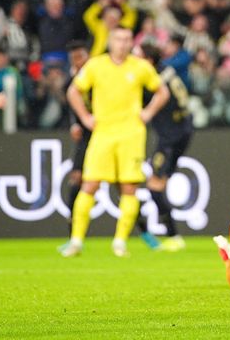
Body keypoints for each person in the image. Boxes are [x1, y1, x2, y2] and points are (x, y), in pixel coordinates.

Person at [59, 26, 169, 258]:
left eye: (127, 39)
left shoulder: (141, 67)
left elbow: (162, 92)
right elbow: (73, 91)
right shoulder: (96, 65)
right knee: (90, 185)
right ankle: (76, 241)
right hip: (103, 133)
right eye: (119, 39)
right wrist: (85, 117)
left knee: (129, 188)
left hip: (131, 135)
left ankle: (120, 242)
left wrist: (148, 113)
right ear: (110, 41)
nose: (123, 43)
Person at [135, 44, 194, 252]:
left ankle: (173, 236)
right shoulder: (167, 71)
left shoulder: (151, 80)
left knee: (154, 186)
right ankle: (161, 232)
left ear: (149, 60)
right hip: (183, 129)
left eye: (137, 56)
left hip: (170, 136)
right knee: (158, 184)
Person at [63, 41, 91, 231]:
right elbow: (70, 100)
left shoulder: (99, 73)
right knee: (76, 178)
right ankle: (73, 231)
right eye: (74, 59)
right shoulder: (72, 81)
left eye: (80, 57)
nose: (78, 62)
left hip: (105, 131)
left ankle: (145, 231)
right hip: (86, 133)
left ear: (87, 56)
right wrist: (74, 123)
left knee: (123, 185)